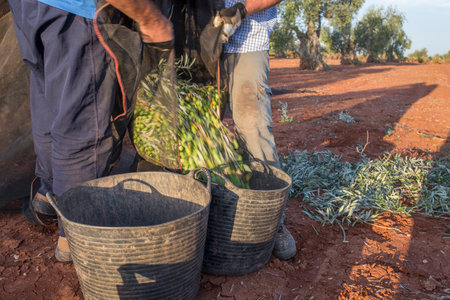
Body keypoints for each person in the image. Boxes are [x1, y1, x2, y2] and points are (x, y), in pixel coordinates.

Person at [8, 0, 173, 263]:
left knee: (52, 103)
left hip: (32, 8)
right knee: (85, 126)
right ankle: (75, 237)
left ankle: (49, 193)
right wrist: (152, 20)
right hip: (78, 13)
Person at [217, 0, 297, 260]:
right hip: (198, 43)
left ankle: (273, 221)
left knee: (253, 128)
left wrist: (240, 10)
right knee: (198, 127)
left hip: (246, 43)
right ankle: (204, 216)